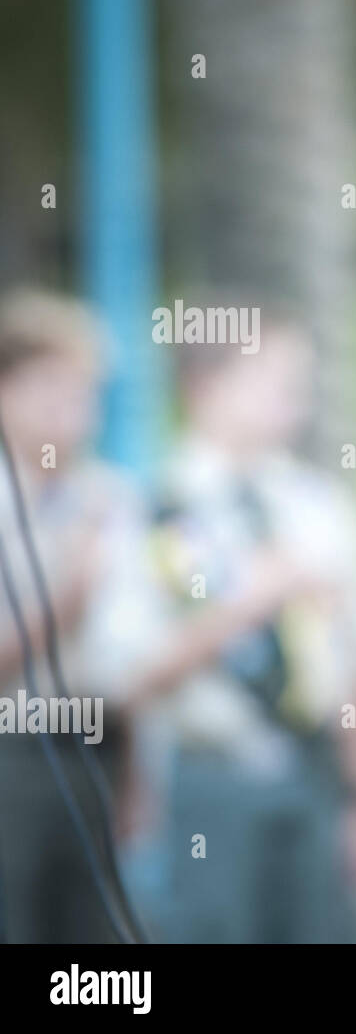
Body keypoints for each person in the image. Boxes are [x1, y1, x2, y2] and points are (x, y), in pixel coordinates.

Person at [121, 314, 356, 942]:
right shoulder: (152, 508)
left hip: (315, 778)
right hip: (208, 783)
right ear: (205, 386)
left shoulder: (317, 505)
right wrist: (248, 604)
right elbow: (130, 675)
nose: (294, 399)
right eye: (271, 379)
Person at [0, 288, 152, 943]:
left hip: (97, 751)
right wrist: (67, 597)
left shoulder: (110, 498)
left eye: (86, 392)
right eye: (56, 389)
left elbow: (134, 656)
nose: (77, 412)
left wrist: (140, 774)